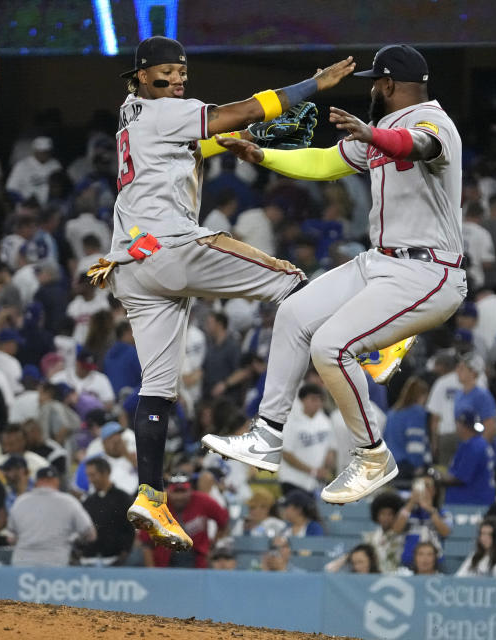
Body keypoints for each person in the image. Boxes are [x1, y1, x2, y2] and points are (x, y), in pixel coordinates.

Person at [84, 36, 354, 551]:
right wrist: (313, 86)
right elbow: (247, 108)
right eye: (165, 72)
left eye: (181, 70)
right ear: (141, 76)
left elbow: (192, 139)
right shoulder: (165, 111)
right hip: (170, 248)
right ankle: (369, 341)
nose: (177, 78)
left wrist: (224, 140)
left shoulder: (136, 114)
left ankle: (150, 494)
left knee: (159, 388)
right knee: (292, 281)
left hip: (131, 267)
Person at [205, 43, 467, 505]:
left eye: (375, 82)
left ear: (388, 85)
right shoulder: (382, 127)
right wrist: (263, 156)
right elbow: (325, 161)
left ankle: (371, 455)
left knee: (332, 347)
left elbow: (419, 145)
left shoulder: (433, 120)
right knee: (294, 313)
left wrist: (371, 134)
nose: (372, 89)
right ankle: (267, 435)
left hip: (430, 272)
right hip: (383, 260)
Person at [7, 466, 96, 567]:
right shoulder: (69, 502)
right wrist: (73, 539)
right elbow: (90, 535)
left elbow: (11, 539)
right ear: (56, 481)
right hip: (55, 564)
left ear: (37, 482)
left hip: (22, 563)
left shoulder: (20, 501)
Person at [139, 474, 229, 568]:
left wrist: (212, 546)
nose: (179, 496)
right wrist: (151, 570)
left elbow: (223, 520)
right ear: (168, 491)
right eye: (176, 492)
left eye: (183, 491)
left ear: (191, 490)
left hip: (197, 560)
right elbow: (146, 543)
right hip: (164, 562)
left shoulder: (202, 500)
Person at [277, 384, 336, 496]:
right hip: (292, 480)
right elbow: (286, 454)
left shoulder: (325, 421)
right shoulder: (290, 422)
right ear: (302, 400)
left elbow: (330, 449)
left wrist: (326, 468)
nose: (317, 403)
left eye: (320, 399)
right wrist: (312, 471)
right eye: (313, 399)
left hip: (315, 482)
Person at [76, 457, 136, 566]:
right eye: (88, 475)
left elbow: (131, 529)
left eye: (93, 475)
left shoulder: (123, 499)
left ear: (106, 473)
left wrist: (125, 552)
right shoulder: (88, 502)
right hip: (88, 561)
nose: (90, 480)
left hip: (115, 561)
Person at [440, 410, 495, 506]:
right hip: (476, 501)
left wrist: (437, 476)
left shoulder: (473, 447)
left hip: (470, 504)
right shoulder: (478, 443)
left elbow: (460, 478)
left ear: (463, 426)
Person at [384, 376, 431, 478]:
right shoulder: (417, 412)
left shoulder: (392, 413)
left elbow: (386, 438)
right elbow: (415, 441)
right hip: (407, 467)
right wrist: (418, 466)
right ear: (421, 396)